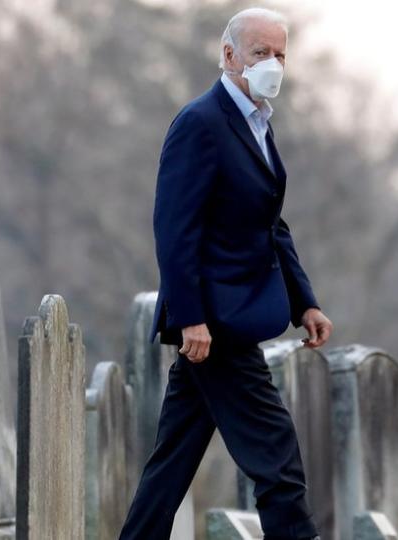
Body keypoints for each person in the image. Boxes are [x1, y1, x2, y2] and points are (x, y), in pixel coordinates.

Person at [118, 7, 333, 540]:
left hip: (234, 317)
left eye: (281, 54)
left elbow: (270, 225)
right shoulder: (201, 123)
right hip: (216, 324)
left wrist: (304, 300)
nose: (273, 64)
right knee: (277, 458)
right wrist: (191, 318)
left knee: (171, 464)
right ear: (229, 54)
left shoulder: (257, 123)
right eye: (261, 53)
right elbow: (174, 230)